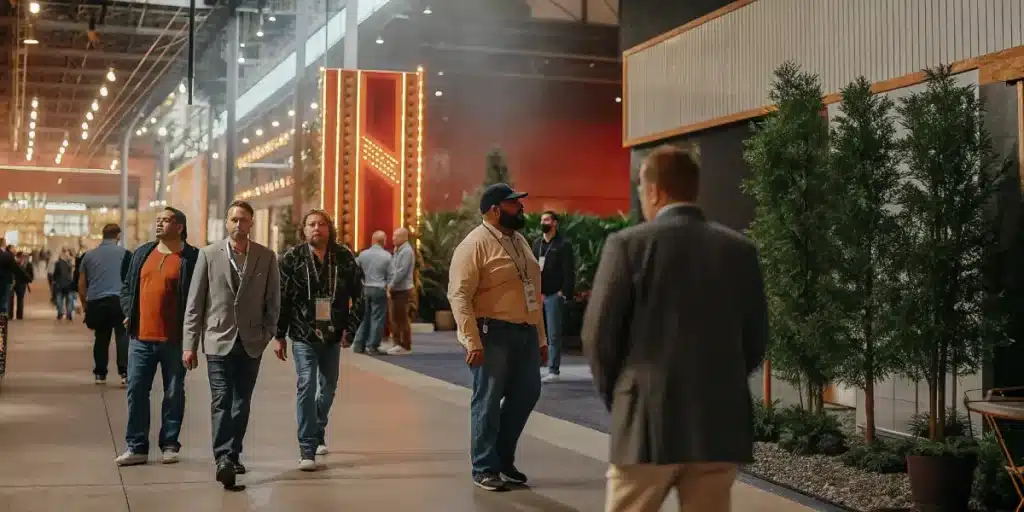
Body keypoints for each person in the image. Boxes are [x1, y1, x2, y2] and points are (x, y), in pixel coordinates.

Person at [582, 146, 768, 512]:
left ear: (654, 191)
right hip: (717, 423)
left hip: (647, 424)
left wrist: (622, 395)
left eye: (641, 188)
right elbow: (755, 338)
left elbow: (598, 337)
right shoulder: (739, 251)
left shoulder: (627, 246)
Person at [447, 183, 548, 492]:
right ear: (494, 209)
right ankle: (484, 467)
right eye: (513, 204)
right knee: (488, 401)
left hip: (526, 334)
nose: (521, 208)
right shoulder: (474, 244)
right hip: (493, 334)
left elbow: (533, 292)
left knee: (527, 394)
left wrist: (541, 338)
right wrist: (471, 340)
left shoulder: (520, 242)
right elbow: (459, 295)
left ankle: (503, 460)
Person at [183, 200, 280, 490]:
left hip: (251, 342)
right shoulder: (209, 255)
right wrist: (190, 343)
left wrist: (269, 334)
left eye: (244, 220)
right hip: (217, 339)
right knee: (221, 399)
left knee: (241, 402)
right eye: (234, 220)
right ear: (227, 223)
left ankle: (234, 453)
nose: (239, 225)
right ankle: (223, 458)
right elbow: (195, 303)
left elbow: (273, 300)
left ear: (251, 224)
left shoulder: (266, 257)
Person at [274, 209, 363, 470]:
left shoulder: (343, 257)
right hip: (303, 333)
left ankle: (318, 428)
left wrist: (352, 327)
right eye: (311, 224)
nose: (317, 228)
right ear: (304, 230)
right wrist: (279, 334)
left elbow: (360, 296)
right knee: (306, 385)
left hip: (333, 334)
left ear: (329, 228)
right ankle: (307, 448)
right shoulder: (292, 258)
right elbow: (282, 299)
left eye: (322, 224)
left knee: (329, 387)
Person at [115, 207, 199, 467]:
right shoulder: (142, 253)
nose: (160, 224)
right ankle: (137, 446)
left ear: (180, 227)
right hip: (140, 338)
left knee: (174, 392)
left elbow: (199, 297)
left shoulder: (192, 257)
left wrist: (192, 338)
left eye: (166, 220)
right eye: (158, 220)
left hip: (174, 340)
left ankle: (170, 444)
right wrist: (129, 312)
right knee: (136, 390)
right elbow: (127, 287)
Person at [79, 224, 132, 385]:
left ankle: (100, 373)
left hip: (97, 302)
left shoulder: (88, 256)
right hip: (120, 301)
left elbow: (81, 284)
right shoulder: (127, 255)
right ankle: (124, 373)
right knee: (122, 336)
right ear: (118, 236)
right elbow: (132, 281)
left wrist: (85, 305)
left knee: (101, 337)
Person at [531, 211, 575, 383]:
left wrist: (564, 292)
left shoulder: (563, 245)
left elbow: (568, 271)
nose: (544, 222)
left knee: (553, 333)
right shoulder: (537, 244)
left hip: (553, 295)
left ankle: (553, 369)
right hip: (537, 295)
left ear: (555, 223)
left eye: (547, 219)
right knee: (535, 333)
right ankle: (535, 366)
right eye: (542, 219)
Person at [352, 230, 391, 355]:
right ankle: (372, 345)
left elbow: (354, 268)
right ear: (383, 241)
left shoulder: (363, 254)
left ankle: (358, 345)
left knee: (363, 317)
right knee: (377, 318)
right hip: (379, 289)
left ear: (373, 241)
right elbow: (391, 275)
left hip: (365, 288)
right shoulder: (387, 256)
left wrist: (360, 281)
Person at [386, 227, 415, 355]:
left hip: (403, 289)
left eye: (396, 236)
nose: (393, 238)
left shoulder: (407, 251)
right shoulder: (398, 250)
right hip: (397, 289)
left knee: (402, 318)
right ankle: (397, 343)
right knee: (395, 318)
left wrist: (390, 285)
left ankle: (405, 345)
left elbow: (401, 272)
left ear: (404, 237)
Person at [53, 249, 77, 321]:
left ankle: (60, 313)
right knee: (69, 299)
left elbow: (55, 274)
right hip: (69, 284)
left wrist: (55, 281)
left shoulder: (58, 263)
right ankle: (68, 314)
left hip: (60, 284)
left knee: (60, 299)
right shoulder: (72, 264)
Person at [11, 252, 35, 320]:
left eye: (24, 257)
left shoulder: (28, 264)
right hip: (13, 283)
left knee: (20, 300)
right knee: (11, 300)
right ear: (18, 257)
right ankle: (10, 315)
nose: (22, 258)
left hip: (22, 284)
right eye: (21, 257)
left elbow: (31, 275)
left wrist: (28, 279)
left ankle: (19, 315)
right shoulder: (14, 264)